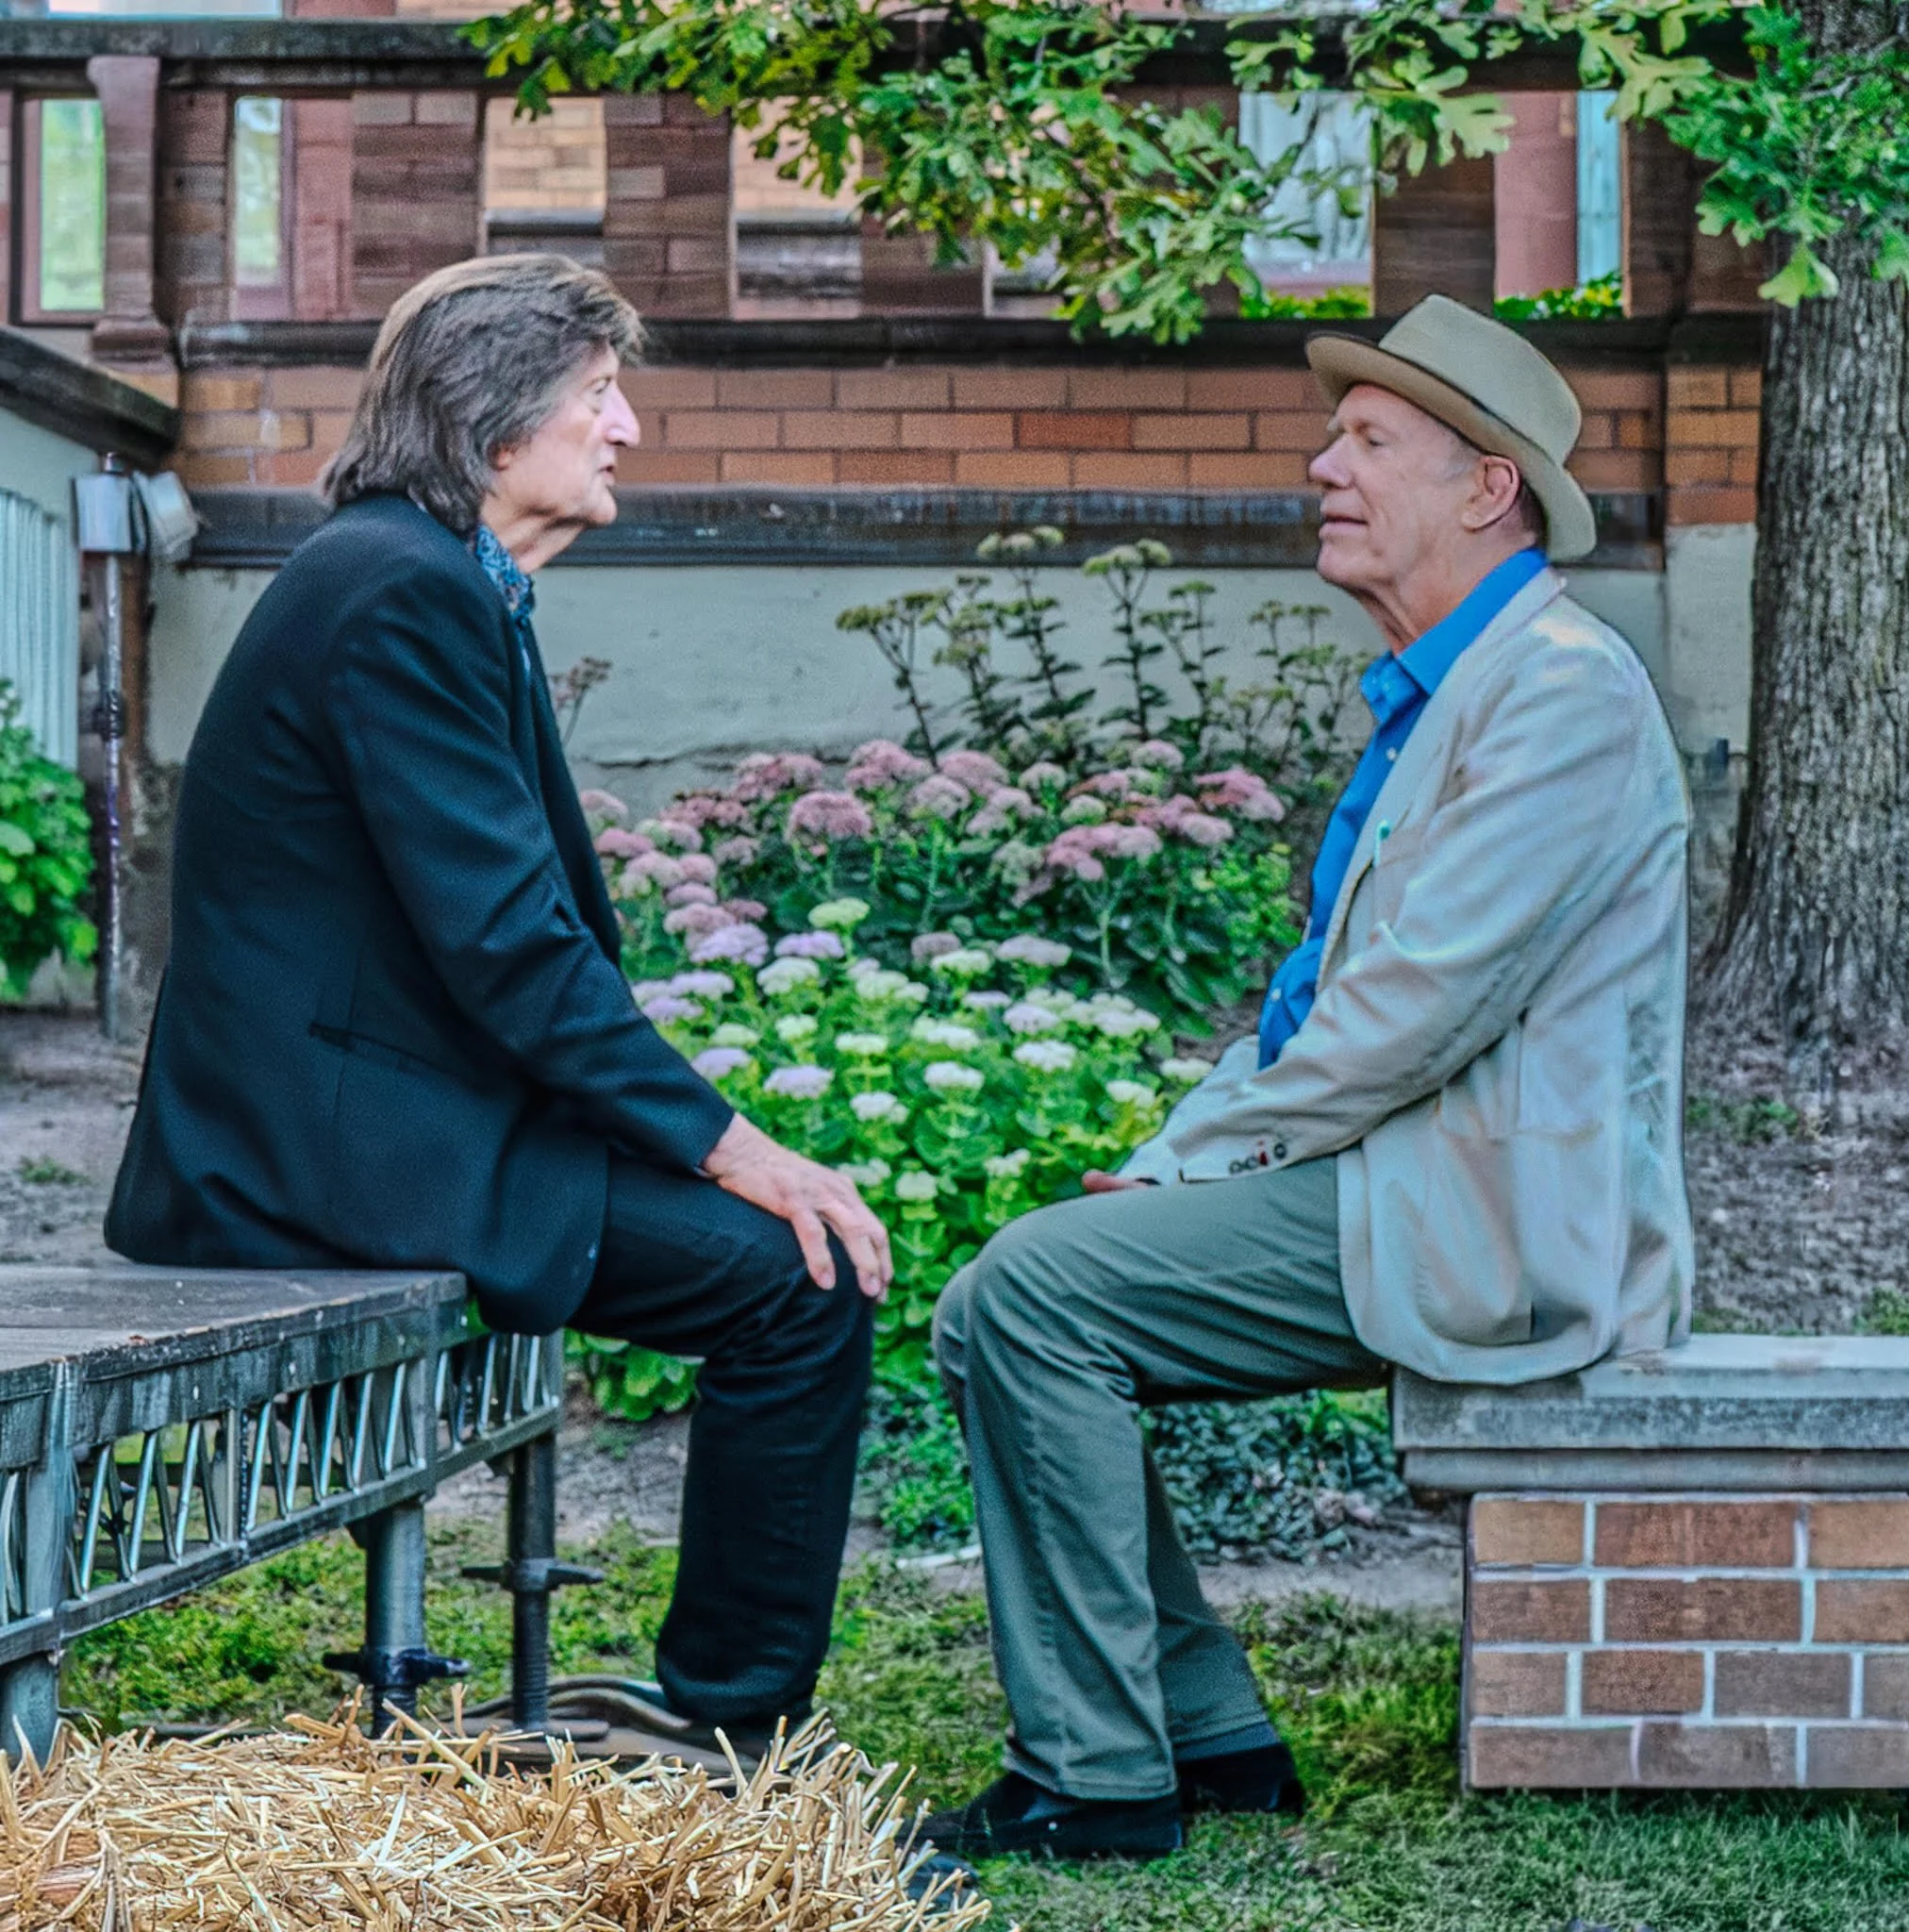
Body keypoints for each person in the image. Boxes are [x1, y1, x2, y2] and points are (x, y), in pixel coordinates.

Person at [923, 295, 1695, 1860]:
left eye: (1368, 441)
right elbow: (1319, 1013)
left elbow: (1411, 1010)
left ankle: (1101, 1781)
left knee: (1029, 1300)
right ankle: (1205, 1738)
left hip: (1491, 1216)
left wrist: (1194, 1164)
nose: (1319, 464)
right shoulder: (1456, 692)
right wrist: (1184, 1142)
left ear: (1488, 489)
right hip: (1399, 1176)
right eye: (1333, 436)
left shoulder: (1560, 690)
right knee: (1002, 1306)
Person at [107, 255, 892, 1748]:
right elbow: (511, 949)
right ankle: (738, 1738)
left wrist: (683, 1136)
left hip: (389, 1118)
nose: (628, 431)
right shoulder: (401, 589)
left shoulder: (426, 572)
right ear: (489, 433)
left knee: (791, 1274)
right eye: (600, 397)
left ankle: (729, 1721)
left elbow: (503, 947)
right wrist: (733, 1146)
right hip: (324, 1160)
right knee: (798, 1283)